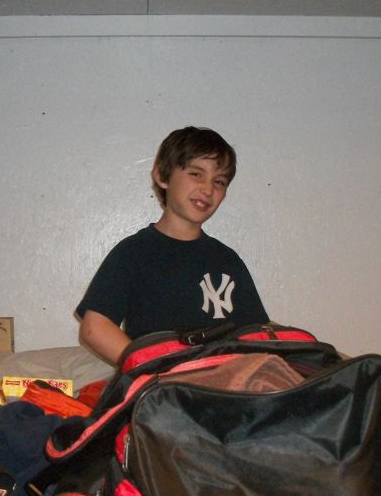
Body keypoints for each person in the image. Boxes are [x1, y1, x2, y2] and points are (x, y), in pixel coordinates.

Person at [76, 126, 269, 364]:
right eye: (196, 174)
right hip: (161, 382)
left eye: (219, 181)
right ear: (162, 176)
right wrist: (152, 369)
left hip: (223, 381)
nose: (208, 189)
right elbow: (94, 329)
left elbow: (257, 334)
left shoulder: (228, 260)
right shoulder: (134, 252)